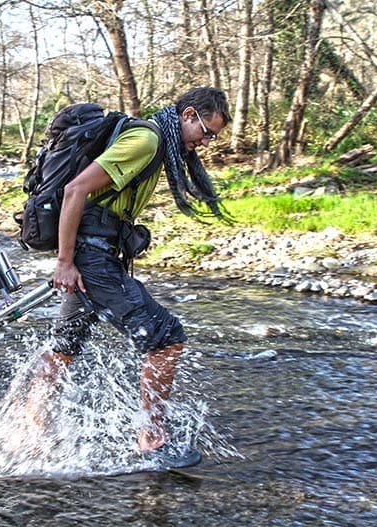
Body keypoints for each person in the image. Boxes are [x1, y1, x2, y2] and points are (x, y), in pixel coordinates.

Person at [29, 87, 231, 453]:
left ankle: (28, 424)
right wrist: (65, 262)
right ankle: (151, 438)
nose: (206, 142)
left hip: (97, 252)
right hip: (90, 257)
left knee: (63, 347)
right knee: (168, 337)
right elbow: (76, 190)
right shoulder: (147, 141)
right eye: (207, 132)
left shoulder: (158, 144)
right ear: (188, 115)